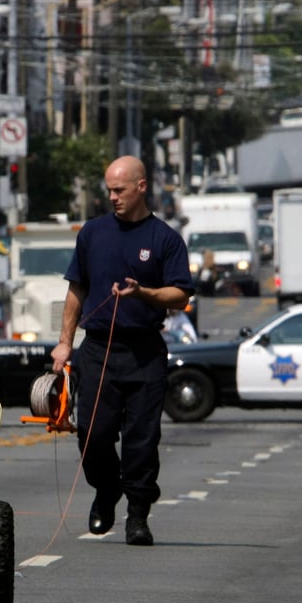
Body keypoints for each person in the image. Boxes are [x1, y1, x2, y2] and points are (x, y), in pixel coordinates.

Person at [50, 156, 194, 546]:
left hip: (144, 351)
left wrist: (144, 292)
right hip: (97, 350)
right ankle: (106, 488)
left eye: (120, 190)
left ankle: (137, 514)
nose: (112, 197)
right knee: (93, 435)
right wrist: (65, 342)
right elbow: (76, 290)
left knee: (141, 440)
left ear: (141, 187)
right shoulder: (93, 233)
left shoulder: (164, 238)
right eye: (109, 190)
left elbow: (180, 296)